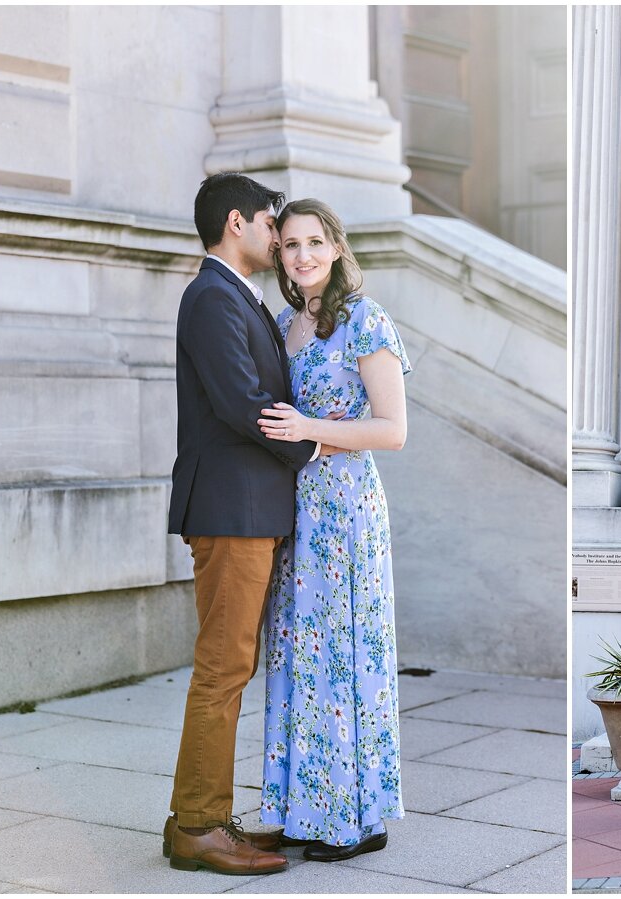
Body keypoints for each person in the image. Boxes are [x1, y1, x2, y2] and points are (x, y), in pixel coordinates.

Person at [166, 173, 331, 875]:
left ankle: (209, 811)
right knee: (223, 665)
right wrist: (314, 443)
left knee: (233, 663)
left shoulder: (238, 296)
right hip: (230, 510)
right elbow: (243, 400)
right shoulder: (211, 296)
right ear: (238, 223)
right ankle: (198, 825)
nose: (278, 235)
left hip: (250, 508)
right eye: (271, 223)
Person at [256, 198, 410, 861]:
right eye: (290, 245)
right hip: (299, 512)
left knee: (344, 657)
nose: (303, 255)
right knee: (302, 658)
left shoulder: (364, 321)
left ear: (337, 248)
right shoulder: (289, 324)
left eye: (314, 242)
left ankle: (356, 818)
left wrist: (311, 430)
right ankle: (305, 810)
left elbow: (393, 430)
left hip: (346, 510)